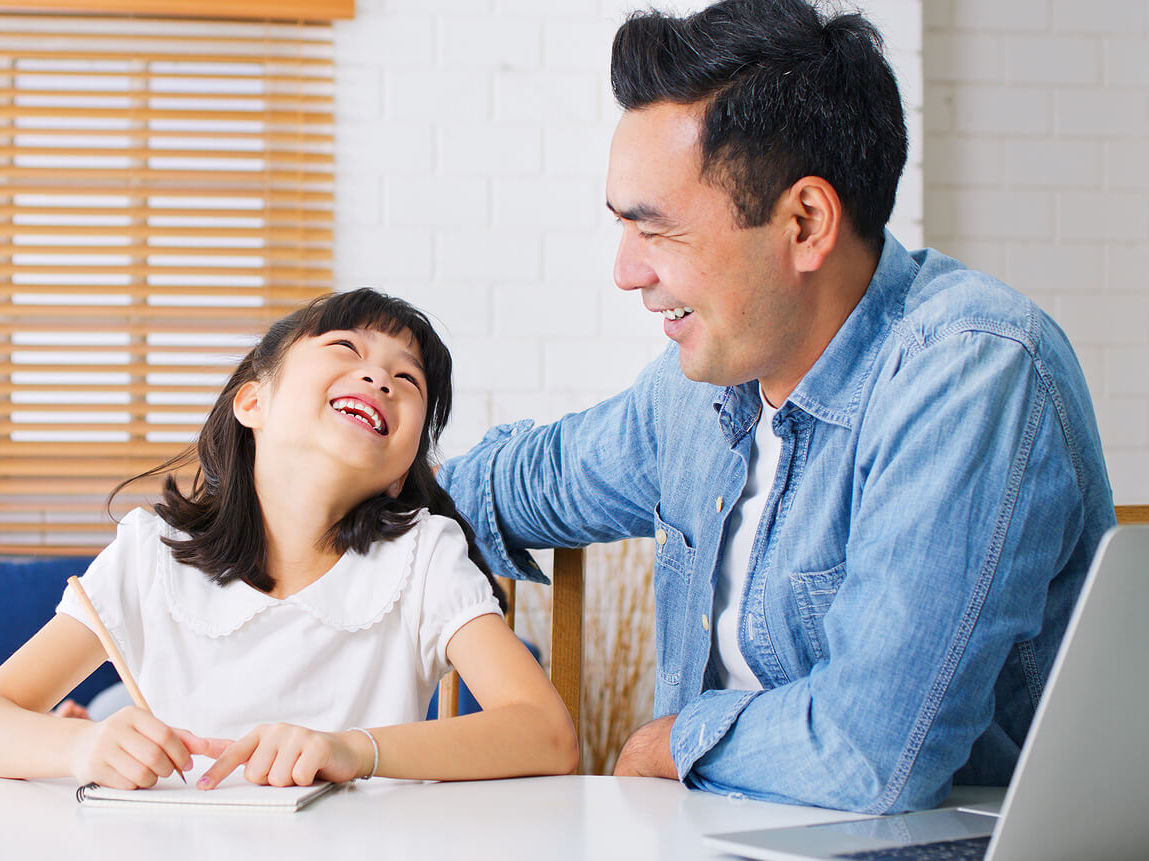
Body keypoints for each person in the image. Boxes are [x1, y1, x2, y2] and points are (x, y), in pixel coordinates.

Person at [438, 0, 1115, 815]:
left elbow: (872, 755)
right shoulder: (702, 388)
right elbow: (520, 483)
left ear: (805, 222)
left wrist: (675, 738)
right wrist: (312, 491)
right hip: (718, 830)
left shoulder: (970, 370)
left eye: (656, 231)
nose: (625, 272)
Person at [0, 288, 578, 789]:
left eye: (407, 381)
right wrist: (82, 747)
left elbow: (548, 735)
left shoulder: (423, 555)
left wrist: (352, 750)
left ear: (400, 473)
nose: (380, 379)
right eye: (346, 350)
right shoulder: (150, 554)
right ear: (253, 402)